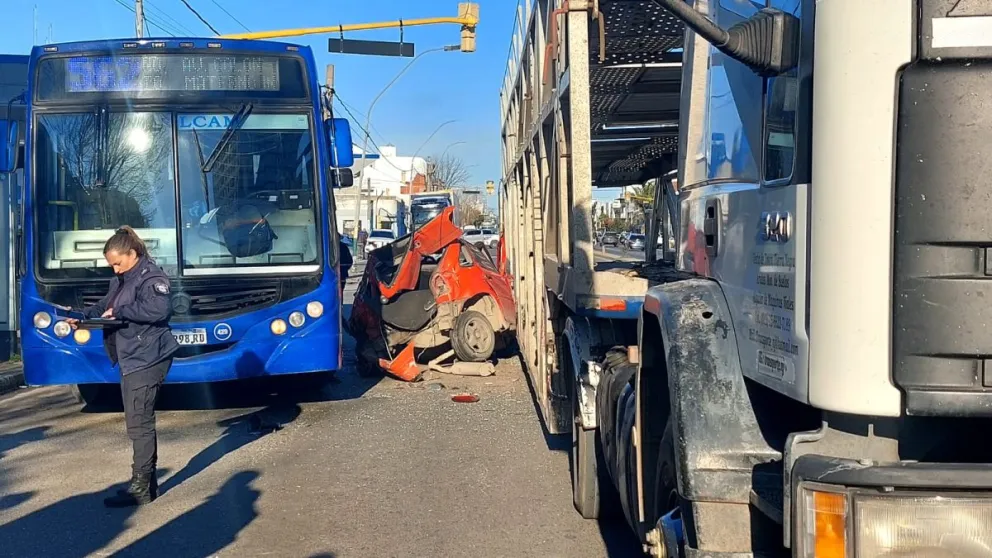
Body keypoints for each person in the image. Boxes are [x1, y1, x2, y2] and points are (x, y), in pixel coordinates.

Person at [67, 226, 179, 508]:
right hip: (133, 356)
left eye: (118, 263)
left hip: (148, 356)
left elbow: (158, 311)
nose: (115, 269)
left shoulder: (151, 277)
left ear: (133, 253)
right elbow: (106, 305)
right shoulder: (123, 279)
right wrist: (82, 317)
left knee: (139, 423)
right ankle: (146, 483)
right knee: (137, 421)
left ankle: (140, 487)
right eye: (111, 265)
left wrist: (121, 311)